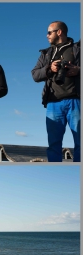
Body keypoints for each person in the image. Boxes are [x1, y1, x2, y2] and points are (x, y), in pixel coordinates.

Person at [31, 21, 80, 162]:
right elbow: (35, 75)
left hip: (76, 101)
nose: (47, 35)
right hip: (53, 103)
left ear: (59, 32)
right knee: (53, 145)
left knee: (80, 143)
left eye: (49, 32)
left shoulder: (77, 49)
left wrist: (78, 70)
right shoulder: (46, 53)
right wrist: (49, 69)